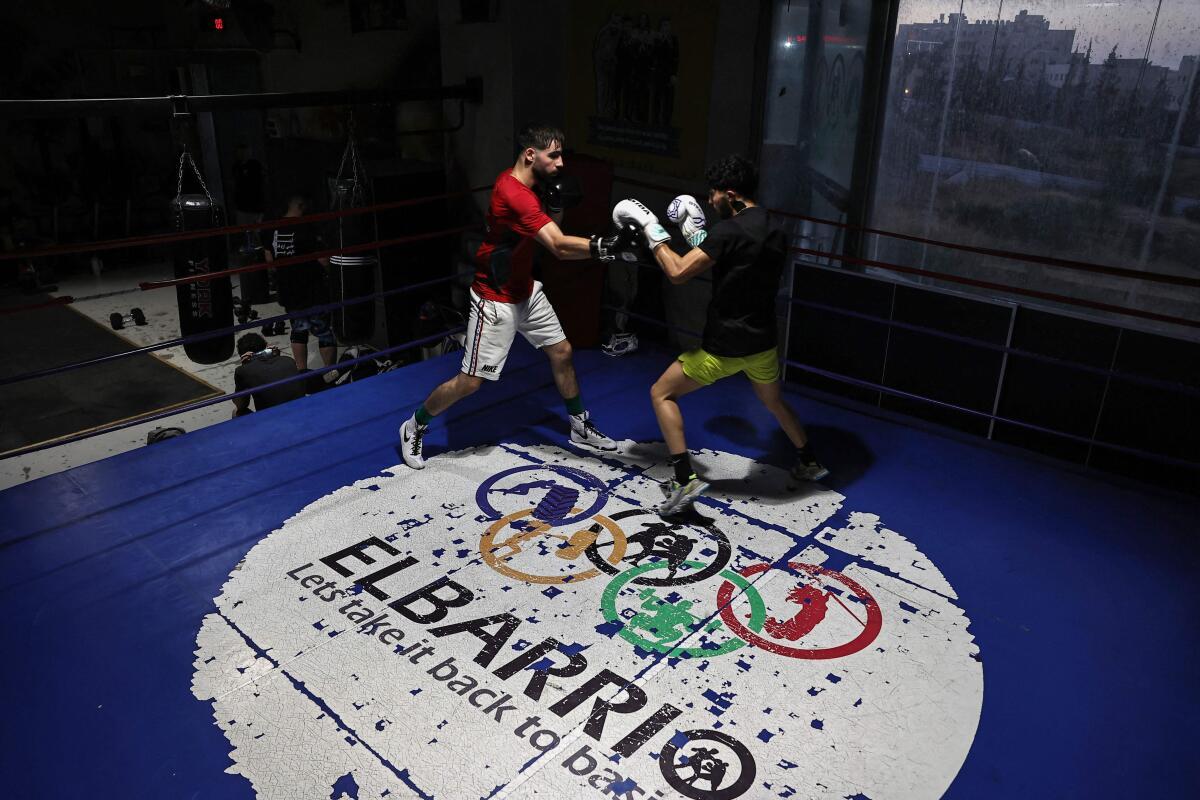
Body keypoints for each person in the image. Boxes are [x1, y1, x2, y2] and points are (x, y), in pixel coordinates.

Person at [398, 124, 629, 469]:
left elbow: (554, 229)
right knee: (471, 382)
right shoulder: (514, 193)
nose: (561, 162)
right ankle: (415, 424)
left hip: (525, 288)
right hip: (496, 299)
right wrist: (604, 247)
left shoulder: (531, 183)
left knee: (562, 352)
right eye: (554, 155)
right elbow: (559, 247)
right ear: (530, 155)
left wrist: (556, 203)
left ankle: (579, 425)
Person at [613, 154, 829, 516]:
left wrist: (653, 233)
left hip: (725, 348)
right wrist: (699, 236)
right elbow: (739, 260)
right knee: (773, 402)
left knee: (661, 393)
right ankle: (809, 461)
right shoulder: (774, 227)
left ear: (730, 195)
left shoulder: (727, 232)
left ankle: (684, 479)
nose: (709, 203)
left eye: (713, 196)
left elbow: (679, 272)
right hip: (763, 343)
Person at [264, 193, 337, 372]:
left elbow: (270, 261)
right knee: (323, 330)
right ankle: (330, 372)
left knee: (298, 330)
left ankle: (302, 372)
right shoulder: (308, 227)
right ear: (302, 205)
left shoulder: (271, 227)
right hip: (312, 288)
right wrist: (331, 276)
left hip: (289, 288)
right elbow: (324, 260)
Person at [231, 332, 305, 417]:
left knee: (236, 412)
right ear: (266, 347)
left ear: (243, 355)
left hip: (272, 420)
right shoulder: (288, 360)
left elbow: (241, 405)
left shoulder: (242, 371)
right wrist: (277, 357)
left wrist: (245, 367)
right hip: (300, 412)